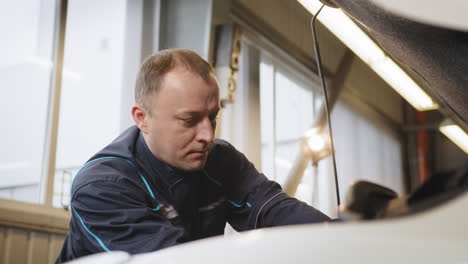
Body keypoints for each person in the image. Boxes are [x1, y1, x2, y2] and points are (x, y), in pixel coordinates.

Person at [56, 48, 330, 263]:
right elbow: (171, 260)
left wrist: (342, 234)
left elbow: (273, 210)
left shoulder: (221, 161)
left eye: (213, 118)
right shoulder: (101, 187)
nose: (208, 135)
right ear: (143, 118)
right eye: (190, 120)